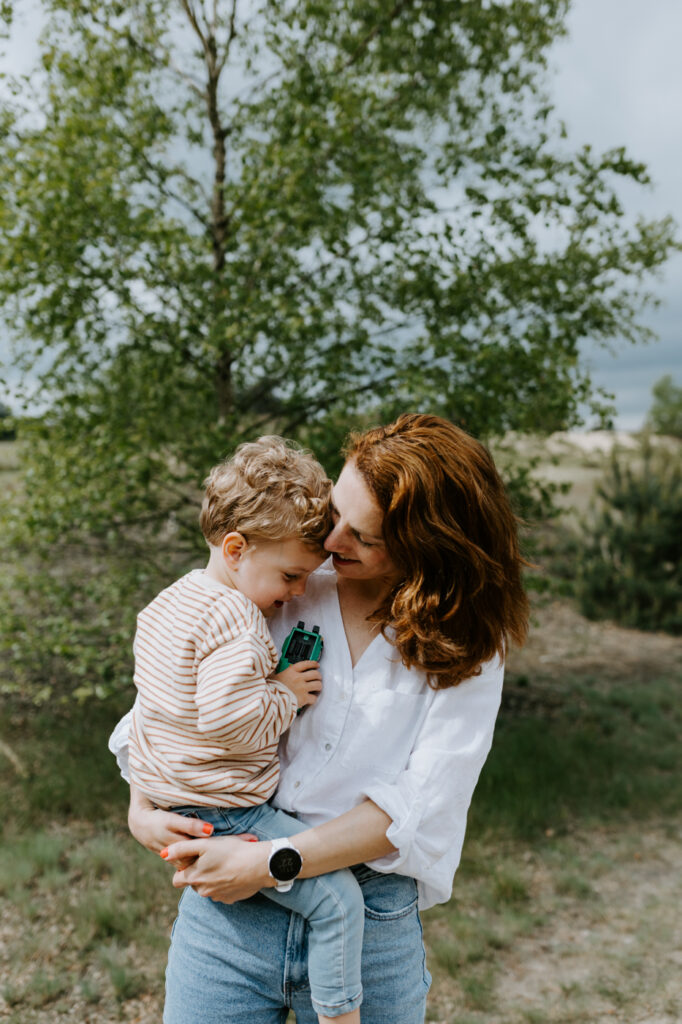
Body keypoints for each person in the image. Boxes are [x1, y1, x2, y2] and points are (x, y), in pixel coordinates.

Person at [110, 413, 529, 1024]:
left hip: (365, 916)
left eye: (363, 537)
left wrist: (272, 859)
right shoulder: (283, 582)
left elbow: (416, 804)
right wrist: (141, 804)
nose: (333, 543)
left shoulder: (467, 644)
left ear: (426, 548)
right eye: (336, 514)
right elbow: (174, 702)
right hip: (229, 913)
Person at [127, 436, 365, 1024]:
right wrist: (284, 695)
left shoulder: (171, 601)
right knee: (338, 901)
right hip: (231, 810)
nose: (298, 592)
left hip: (176, 797)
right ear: (236, 548)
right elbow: (231, 722)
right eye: (289, 574)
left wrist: (141, 796)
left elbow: (152, 705)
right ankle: (340, 1013)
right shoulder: (237, 618)